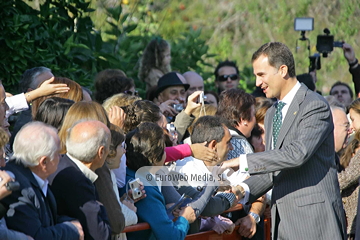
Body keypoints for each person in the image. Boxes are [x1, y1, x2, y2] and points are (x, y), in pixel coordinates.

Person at [224, 42, 346, 239]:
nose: (257, 83)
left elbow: (296, 154)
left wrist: (243, 161)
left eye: (261, 75)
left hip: (314, 223)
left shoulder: (314, 105)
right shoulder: (272, 113)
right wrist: (242, 190)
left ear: (282, 70)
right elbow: (275, 166)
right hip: (283, 224)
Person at [0, 122, 84, 240]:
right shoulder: (18, 187)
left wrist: (70, 223)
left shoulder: (33, 176)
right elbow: (36, 236)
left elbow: (48, 219)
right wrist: (72, 230)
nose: (61, 157)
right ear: (44, 162)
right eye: (58, 154)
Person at [54, 102, 126, 238]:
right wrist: (99, 206)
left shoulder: (58, 162)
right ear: (101, 151)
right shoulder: (87, 175)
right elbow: (114, 224)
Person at [125, 122, 196, 240]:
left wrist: (164, 210)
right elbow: (171, 236)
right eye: (164, 150)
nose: (166, 154)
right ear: (154, 158)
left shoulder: (128, 175)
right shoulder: (146, 189)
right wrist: (184, 218)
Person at [50, 120, 112, 240]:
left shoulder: (60, 164)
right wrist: (100, 207)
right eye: (110, 146)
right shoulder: (77, 182)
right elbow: (101, 235)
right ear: (101, 151)